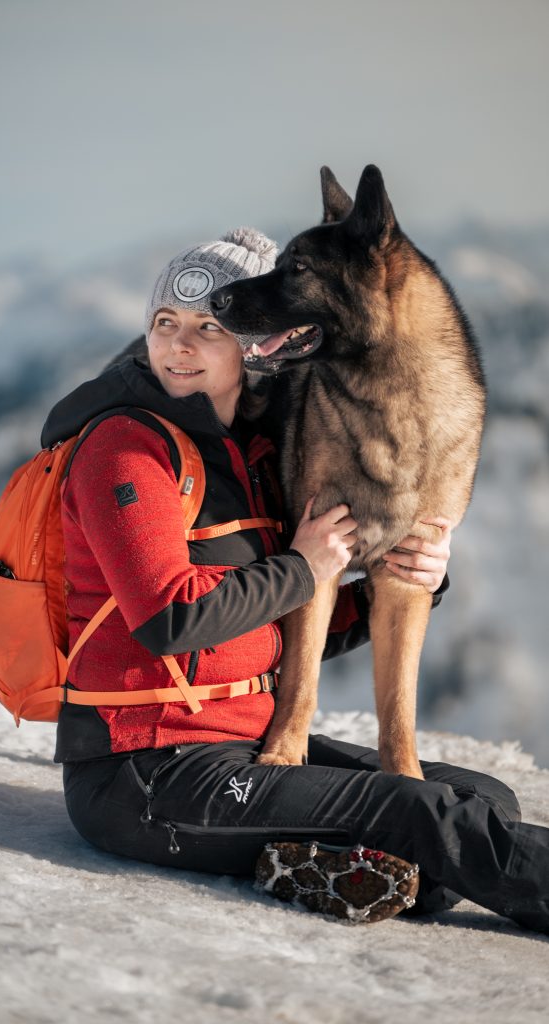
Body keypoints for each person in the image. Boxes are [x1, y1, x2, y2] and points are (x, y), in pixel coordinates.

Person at [41, 228, 549, 932]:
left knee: (477, 796)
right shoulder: (125, 448)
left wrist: (404, 580)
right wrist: (303, 566)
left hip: (245, 744)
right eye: (164, 323)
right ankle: (348, 862)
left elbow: (270, 623)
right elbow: (168, 619)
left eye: (208, 328)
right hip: (147, 771)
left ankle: (334, 869)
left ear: (256, 344)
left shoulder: (249, 456)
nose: (178, 346)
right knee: (421, 814)